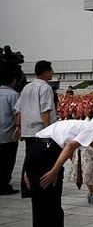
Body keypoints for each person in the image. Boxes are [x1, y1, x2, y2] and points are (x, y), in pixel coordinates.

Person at [14, 59, 56, 198]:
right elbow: (45, 110)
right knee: (42, 159)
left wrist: (18, 126)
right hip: (40, 130)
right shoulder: (45, 88)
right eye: (51, 70)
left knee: (29, 158)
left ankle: (27, 188)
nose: (52, 72)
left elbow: (18, 110)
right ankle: (38, 185)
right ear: (45, 72)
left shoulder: (27, 87)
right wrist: (48, 129)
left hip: (28, 130)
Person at [0, 64, 20, 195]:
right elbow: (17, 113)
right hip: (8, 134)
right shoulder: (13, 95)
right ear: (13, 80)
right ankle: (3, 185)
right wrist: (19, 127)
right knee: (7, 161)